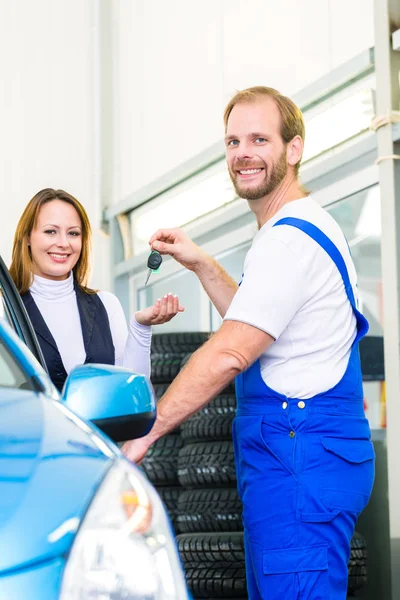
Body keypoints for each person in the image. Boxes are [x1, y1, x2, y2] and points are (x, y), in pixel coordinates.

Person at [121, 86, 375, 599]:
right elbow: (258, 321)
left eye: (260, 138)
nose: (243, 153)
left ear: (294, 149)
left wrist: (145, 434)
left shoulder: (287, 239)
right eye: (233, 141)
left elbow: (232, 351)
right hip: (301, 458)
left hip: (299, 458)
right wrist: (201, 263)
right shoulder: (296, 229)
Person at [9, 188, 184, 391]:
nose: (63, 243)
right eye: (50, 231)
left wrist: (141, 326)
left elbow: (132, 391)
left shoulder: (106, 304)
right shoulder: (6, 310)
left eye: (73, 233)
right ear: (28, 237)